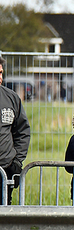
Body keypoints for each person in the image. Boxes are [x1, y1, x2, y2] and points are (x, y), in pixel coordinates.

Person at [0, 56, 30, 205]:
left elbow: (22, 132)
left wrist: (16, 163)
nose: (0, 77)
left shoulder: (11, 98)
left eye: (1, 73)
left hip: (5, 171)